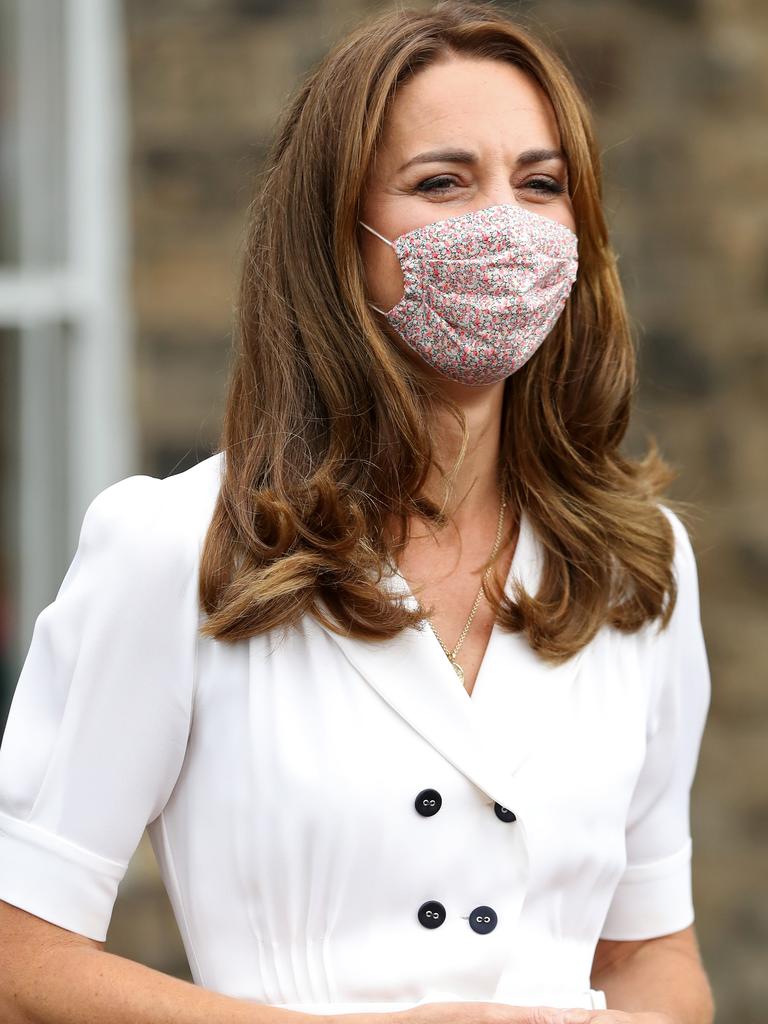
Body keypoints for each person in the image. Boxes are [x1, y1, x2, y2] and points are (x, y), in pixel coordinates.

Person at [0, 2, 714, 1023]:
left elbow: (655, 957)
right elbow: (18, 961)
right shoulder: (177, 547)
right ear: (339, 232)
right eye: (443, 181)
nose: (505, 223)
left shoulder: (640, 564)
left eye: (542, 182)